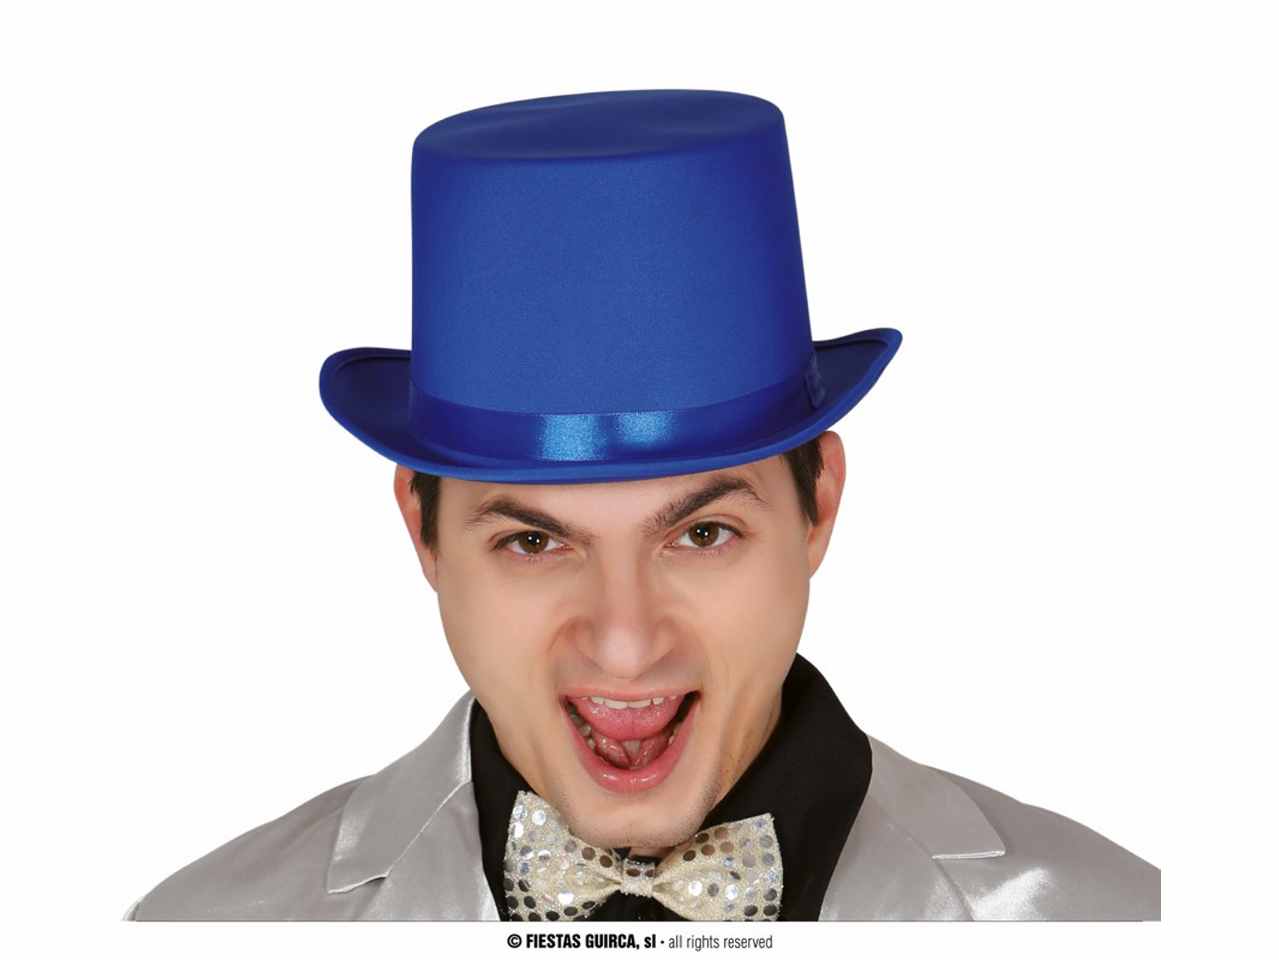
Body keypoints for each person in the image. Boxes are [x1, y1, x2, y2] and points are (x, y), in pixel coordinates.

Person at [127, 89, 1159, 922]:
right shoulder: (201, 930)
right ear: (422, 532)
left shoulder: (1119, 921)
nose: (625, 646)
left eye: (701, 534)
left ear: (818, 506)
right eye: (533, 542)